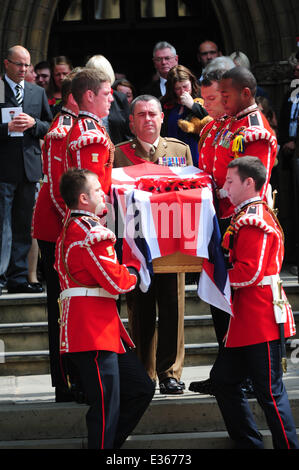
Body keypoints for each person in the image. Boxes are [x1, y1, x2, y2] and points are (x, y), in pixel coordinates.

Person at [54, 168, 154, 449]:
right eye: (98, 190)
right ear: (84, 198)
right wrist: (136, 269)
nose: (103, 193)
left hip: (100, 328)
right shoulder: (90, 233)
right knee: (105, 408)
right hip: (92, 330)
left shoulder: (72, 229)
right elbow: (117, 282)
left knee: (140, 389)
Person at [210, 156, 298, 449]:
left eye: (230, 181)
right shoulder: (245, 215)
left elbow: (250, 272)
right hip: (246, 319)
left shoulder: (254, 219)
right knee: (223, 380)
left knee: (270, 393)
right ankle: (249, 443)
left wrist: (215, 275)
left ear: (249, 183)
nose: (225, 188)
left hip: (261, 318)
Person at [114, 95, 192, 395]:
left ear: (162, 118)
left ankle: (170, 373)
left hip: (172, 244)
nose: (148, 119)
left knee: (173, 309)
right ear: (131, 121)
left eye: (152, 114)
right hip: (135, 246)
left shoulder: (179, 149)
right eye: (141, 115)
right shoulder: (118, 154)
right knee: (140, 311)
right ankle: (144, 374)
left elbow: (191, 195)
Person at [32, 69, 80, 402]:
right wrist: (77, 228)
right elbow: (61, 190)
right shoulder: (63, 128)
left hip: (67, 227)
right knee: (62, 308)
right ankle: (65, 381)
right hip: (59, 228)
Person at [0, 45, 52, 295]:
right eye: (18, 64)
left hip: (29, 167)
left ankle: (18, 277)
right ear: (6, 64)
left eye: (26, 65)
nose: (23, 70)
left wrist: (34, 124)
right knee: (2, 225)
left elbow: (50, 126)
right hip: (3, 167)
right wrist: (6, 126)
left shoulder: (36, 92)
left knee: (23, 225)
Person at [66, 68, 114, 195]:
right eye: (106, 93)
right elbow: (91, 192)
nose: (111, 99)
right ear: (90, 96)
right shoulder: (90, 135)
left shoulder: (84, 126)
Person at [160, 65, 208, 166]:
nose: (182, 91)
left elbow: (210, 122)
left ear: (191, 81)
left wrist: (192, 106)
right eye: (178, 88)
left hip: (195, 154)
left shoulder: (202, 97)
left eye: (185, 86)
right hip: (172, 155)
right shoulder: (166, 103)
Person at [277, 61, 299, 272]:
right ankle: (292, 257)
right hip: (291, 160)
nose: (295, 70)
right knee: (291, 207)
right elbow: (285, 119)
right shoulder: (291, 92)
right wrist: (285, 141)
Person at [86, 55, 133, 144]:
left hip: (118, 153)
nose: (99, 79)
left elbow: (129, 132)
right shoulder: (84, 98)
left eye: (102, 73)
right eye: (94, 74)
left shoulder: (120, 98)